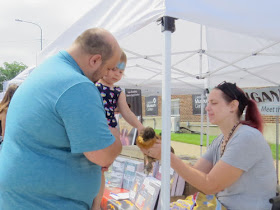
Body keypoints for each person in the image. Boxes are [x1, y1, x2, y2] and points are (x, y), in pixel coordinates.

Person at [0, 28, 123, 209]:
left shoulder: (44, 73)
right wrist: (116, 141)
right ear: (95, 60)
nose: (106, 75)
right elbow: (102, 155)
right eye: (107, 68)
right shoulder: (77, 85)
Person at [141, 82, 277, 210]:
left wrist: (168, 156)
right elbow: (197, 174)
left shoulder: (246, 137)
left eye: (214, 103)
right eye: (208, 103)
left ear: (233, 106)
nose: (207, 107)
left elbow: (210, 185)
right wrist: (162, 153)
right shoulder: (221, 139)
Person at [93, 50, 144, 209]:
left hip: (108, 134)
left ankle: (96, 205)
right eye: (113, 69)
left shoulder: (118, 91)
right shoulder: (93, 86)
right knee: (92, 170)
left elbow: (126, 112)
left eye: (120, 71)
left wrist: (140, 127)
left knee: (99, 171)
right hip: (94, 130)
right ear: (103, 66)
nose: (116, 74)